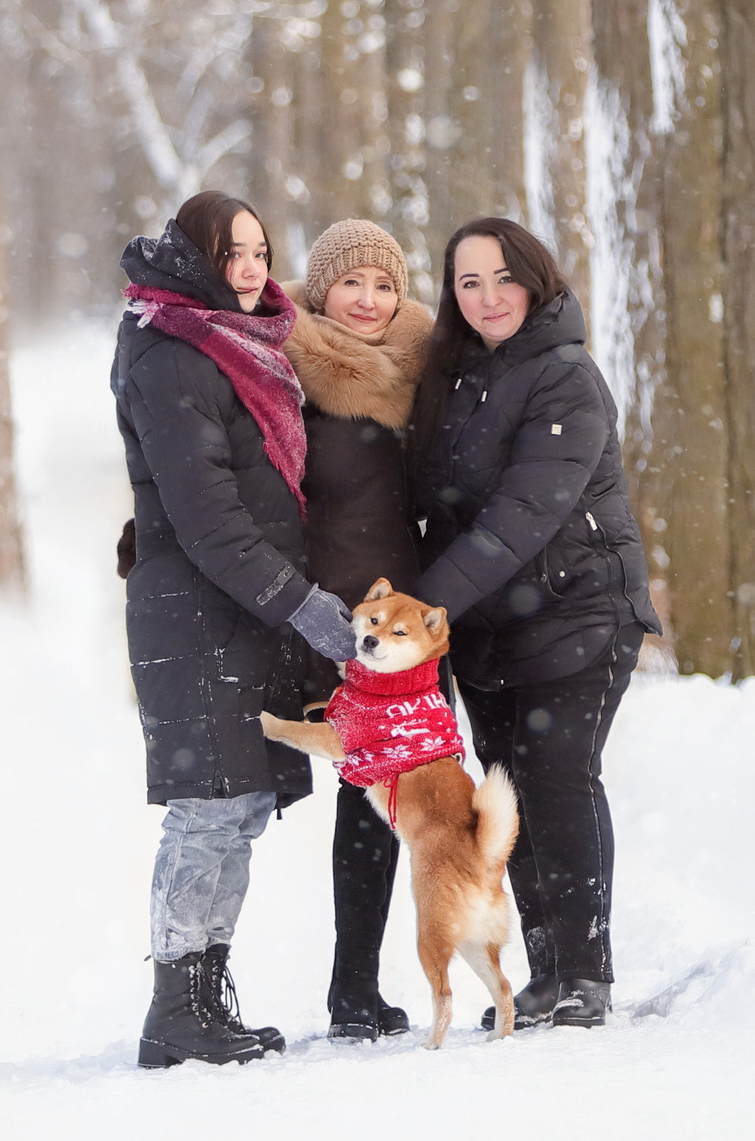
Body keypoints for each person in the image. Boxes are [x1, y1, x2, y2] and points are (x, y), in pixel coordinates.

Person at [113, 190, 361, 1068]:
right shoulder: (171, 353)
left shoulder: (235, 341)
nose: (252, 270)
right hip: (199, 613)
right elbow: (209, 519)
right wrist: (303, 605)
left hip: (236, 612)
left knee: (239, 809)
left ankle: (203, 996)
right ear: (196, 262)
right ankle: (175, 1007)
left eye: (260, 252)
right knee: (207, 814)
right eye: (232, 255)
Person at [405, 217, 662, 1031]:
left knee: (558, 778)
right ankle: (547, 971)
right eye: (469, 282)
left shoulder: (566, 377)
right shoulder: (452, 378)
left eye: (503, 278)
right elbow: (436, 506)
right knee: (508, 791)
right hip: (494, 629)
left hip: (579, 611)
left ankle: (585, 971)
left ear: (534, 278)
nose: (489, 297)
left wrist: (423, 612)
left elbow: (522, 515)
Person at [277, 218, 436, 1041]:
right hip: (332, 613)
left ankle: (357, 989)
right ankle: (349, 989)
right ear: (320, 290)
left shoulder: (424, 371)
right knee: (355, 789)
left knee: (390, 795)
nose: (368, 300)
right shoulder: (290, 370)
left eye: (383, 285)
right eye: (350, 283)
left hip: (410, 615)